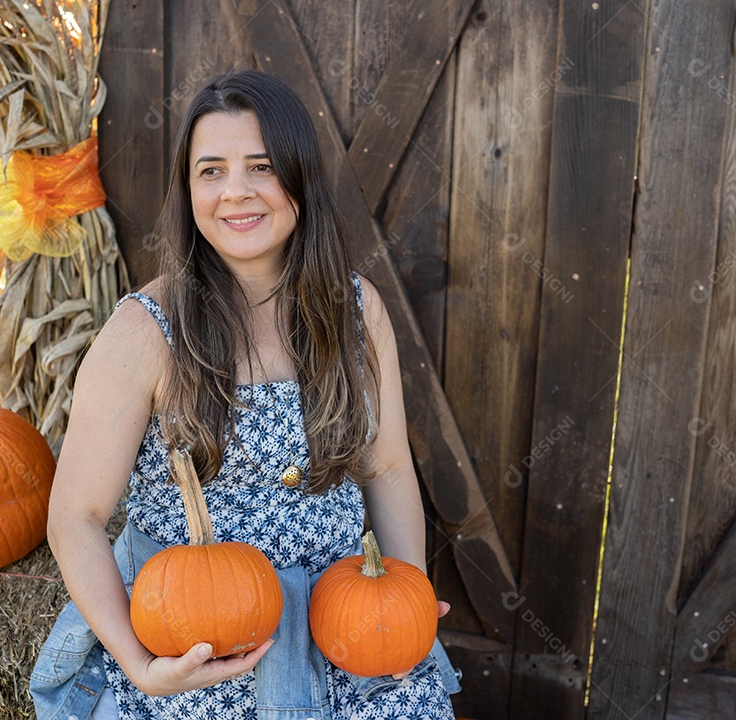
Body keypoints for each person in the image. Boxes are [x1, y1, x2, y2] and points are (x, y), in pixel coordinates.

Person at [31, 69, 460, 720]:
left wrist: (403, 608)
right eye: (211, 171)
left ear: (299, 177)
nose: (236, 192)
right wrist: (141, 666)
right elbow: (77, 516)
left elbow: (387, 466)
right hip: (199, 644)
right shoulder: (146, 333)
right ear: (189, 189)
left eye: (260, 166)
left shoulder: (354, 310)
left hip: (343, 629)